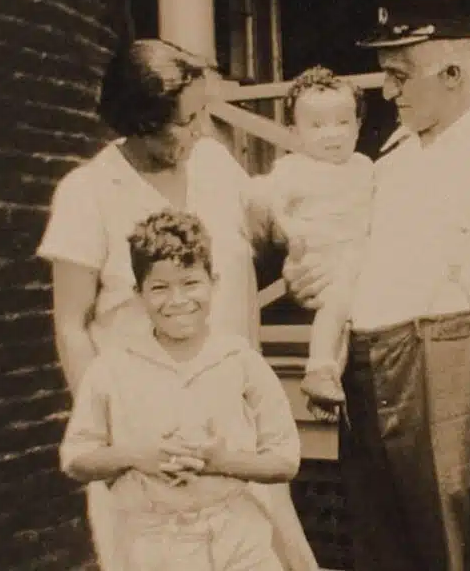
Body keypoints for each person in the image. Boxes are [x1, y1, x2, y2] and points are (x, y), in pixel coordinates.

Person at [37, 38, 318, 571]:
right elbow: (71, 325)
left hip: (234, 430)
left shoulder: (212, 164)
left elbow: (268, 225)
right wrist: (115, 440)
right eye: (186, 121)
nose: (201, 131)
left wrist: (298, 251)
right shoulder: (89, 192)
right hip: (151, 448)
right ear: (141, 122)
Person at [284, 0, 470, 571]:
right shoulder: (390, 164)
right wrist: (307, 282)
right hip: (372, 374)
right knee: (381, 549)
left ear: (452, 72)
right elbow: (351, 266)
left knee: (457, 547)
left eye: (399, 75)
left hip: (453, 371)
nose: (387, 91)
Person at [60, 208, 300, 570]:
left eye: (190, 283)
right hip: (156, 544)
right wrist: (138, 456)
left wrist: (222, 462)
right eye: (159, 288)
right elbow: (76, 460)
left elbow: (285, 461)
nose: (177, 301)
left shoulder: (239, 360)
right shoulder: (112, 368)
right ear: (138, 293)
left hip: (239, 537)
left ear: (213, 282)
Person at [248, 66, 374, 409]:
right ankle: (319, 367)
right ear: (294, 132)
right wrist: (293, 234)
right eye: (317, 126)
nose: (331, 134)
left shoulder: (364, 166)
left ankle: (330, 383)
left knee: (347, 316)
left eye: (342, 122)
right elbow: (270, 202)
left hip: (358, 254)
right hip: (320, 254)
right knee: (337, 304)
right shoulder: (294, 168)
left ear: (359, 125)